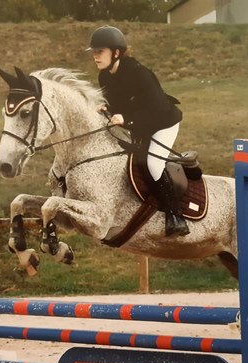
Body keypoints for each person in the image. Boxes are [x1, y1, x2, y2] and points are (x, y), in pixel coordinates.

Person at [87, 25, 189, 237]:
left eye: (100, 51)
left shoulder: (140, 74)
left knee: (153, 162)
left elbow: (158, 110)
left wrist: (128, 120)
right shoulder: (104, 76)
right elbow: (120, 104)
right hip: (140, 124)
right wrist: (108, 108)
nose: (95, 56)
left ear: (116, 53)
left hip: (163, 123)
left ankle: (175, 216)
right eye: (94, 52)